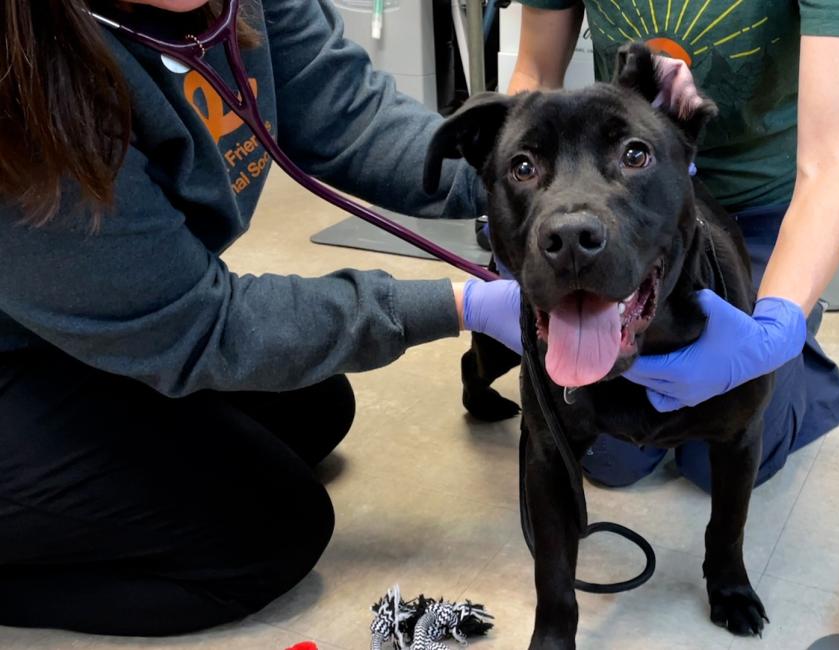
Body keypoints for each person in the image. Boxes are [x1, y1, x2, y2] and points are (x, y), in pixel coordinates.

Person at [0, 0, 535, 636]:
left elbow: (352, 116)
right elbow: (197, 327)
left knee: (314, 406)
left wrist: (526, 173)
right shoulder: (20, 77)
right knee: (266, 538)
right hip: (23, 352)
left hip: (96, 310)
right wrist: (460, 305)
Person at [506, 0, 839, 490]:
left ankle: (800, 353)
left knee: (730, 448)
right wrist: (522, 204)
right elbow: (534, 71)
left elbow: (831, 165)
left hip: (763, 211)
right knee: (608, 454)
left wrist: (775, 328)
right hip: (626, 205)